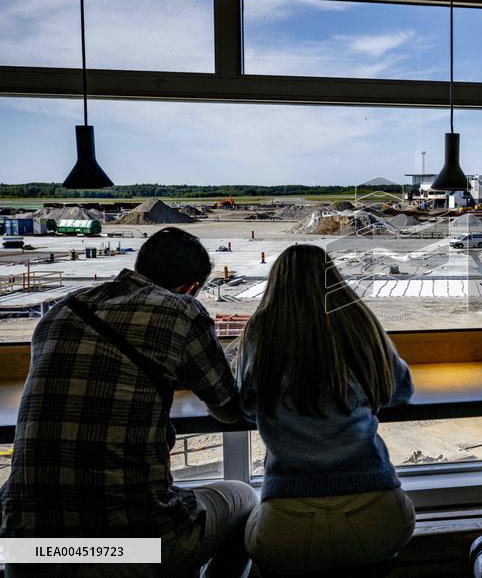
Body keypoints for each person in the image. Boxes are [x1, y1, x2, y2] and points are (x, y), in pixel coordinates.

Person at [1, 227, 256, 578]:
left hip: (25, 549)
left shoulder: (62, 311)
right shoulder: (180, 310)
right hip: (129, 548)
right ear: (191, 286)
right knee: (243, 497)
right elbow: (227, 408)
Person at [238, 244, 415, 575]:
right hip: (377, 515)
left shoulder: (261, 329)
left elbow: (247, 406)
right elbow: (400, 391)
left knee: (242, 513)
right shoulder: (360, 320)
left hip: (288, 521)